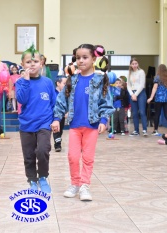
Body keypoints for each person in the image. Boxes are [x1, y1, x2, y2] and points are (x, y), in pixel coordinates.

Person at [52, 44, 115, 201]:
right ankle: (75, 183)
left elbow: (106, 102)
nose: (81, 60)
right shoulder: (71, 81)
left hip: (91, 126)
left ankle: (85, 185)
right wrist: (56, 119)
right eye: (78, 58)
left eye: (85, 57)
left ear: (93, 59)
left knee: (88, 158)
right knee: (73, 157)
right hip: (74, 126)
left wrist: (103, 120)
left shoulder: (99, 81)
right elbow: (61, 101)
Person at [16, 45, 56, 194]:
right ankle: (32, 179)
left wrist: (56, 119)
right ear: (22, 65)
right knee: (29, 155)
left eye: (35, 61)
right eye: (28, 62)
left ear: (41, 63)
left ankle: (43, 176)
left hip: (44, 123)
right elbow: (22, 99)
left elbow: (54, 103)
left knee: (42, 150)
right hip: (26, 125)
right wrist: (25, 81)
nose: (32, 64)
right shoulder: (20, 82)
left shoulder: (47, 82)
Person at [147, 64, 167, 135]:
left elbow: (155, 88)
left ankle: (155, 130)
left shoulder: (157, 78)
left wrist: (151, 97)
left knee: (157, 114)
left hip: (159, 98)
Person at [127, 58, 148, 136]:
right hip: (132, 93)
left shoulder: (141, 72)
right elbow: (128, 85)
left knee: (142, 112)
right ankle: (136, 130)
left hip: (141, 93)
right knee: (134, 113)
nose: (134, 65)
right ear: (130, 65)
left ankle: (144, 130)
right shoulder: (129, 73)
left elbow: (142, 85)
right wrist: (132, 94)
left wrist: (136, 95)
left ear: (138, 64)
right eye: (133, 64)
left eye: (136, 63)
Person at [53, 76, 67, 151]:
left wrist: (66, 112)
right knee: (56, 130)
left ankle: (58, 142)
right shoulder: (53, 93)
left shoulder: (66, 94)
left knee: (60, 130)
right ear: (58, 83)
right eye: (64, 83)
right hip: (54, 115)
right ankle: (57, 145)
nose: (66, 85)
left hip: (62, 115)